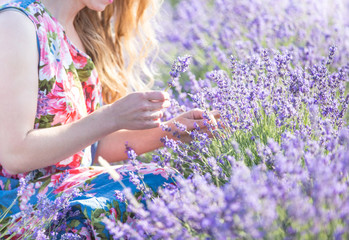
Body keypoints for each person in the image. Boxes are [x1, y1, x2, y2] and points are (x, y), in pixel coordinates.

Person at [0, 0, 213, 238]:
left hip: (61, 196)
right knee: (157, 186)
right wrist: (110, 117)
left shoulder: (78, 32)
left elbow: (87, 150)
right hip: (17, 208)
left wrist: (174, 130)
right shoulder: (16, 24)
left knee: (171, 188)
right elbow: (14, 154)